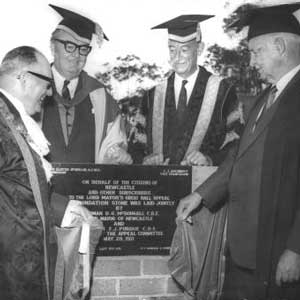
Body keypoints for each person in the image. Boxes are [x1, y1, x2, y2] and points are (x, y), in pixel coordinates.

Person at [176, 3, 300, 299]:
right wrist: (201, 194)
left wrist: (296, 249)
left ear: (280, 46)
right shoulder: (262, 99)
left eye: (255, 52)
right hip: (244, 252)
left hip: (279, 251)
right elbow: (237, 157)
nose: (251, 61)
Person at [0, 46, 96, 300]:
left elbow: (21, 187)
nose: (50, 91)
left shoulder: (12, 119)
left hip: (25, 269)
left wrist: (68, 209)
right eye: (46, 82)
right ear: (23, 77)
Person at [143, 15, 243, 166]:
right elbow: (136, 145)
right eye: (172, 49)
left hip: (201, 184)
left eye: (184, 50)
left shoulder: (223, 91)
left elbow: (236, 142)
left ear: (199, 49)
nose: (177, 57)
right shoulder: (153, 95)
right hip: (158, 185)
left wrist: (210, 160)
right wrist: (145, 160)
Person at [42, 4, 132, 164]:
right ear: (52, 47)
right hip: (37, 186)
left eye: (83, 49)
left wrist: (115, 154)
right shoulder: (34, 88)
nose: (76, 55)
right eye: (69, 47)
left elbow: (114, 144)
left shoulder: (100, 95)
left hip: (85, 187)